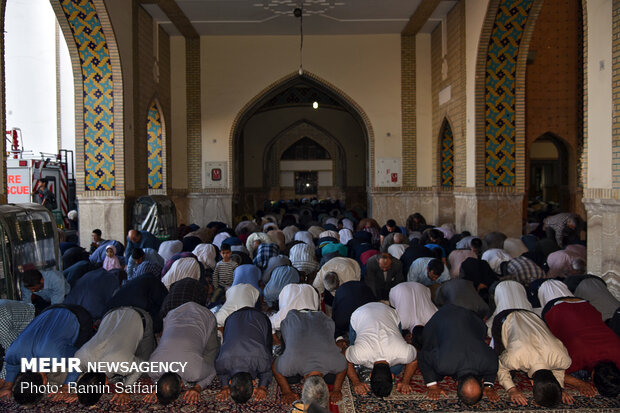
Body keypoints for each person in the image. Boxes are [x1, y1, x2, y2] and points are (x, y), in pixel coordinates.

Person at [0, 304, 93, 402]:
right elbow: (11, 363)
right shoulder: (12, 352)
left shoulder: (56, 356)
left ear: (45, 382)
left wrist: (67, 386)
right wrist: (7, 386)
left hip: (77, 314)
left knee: (82, 351)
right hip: (48, 309)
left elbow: (78, 360)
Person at [417, 304, 499, 405]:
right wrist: (432, 386)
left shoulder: (488, 361)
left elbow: (493, 366)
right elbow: (422, 356)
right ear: (456, 384)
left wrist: (488, 386)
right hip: (442, 318)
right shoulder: (444, 364)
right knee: (436, 373)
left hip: (469, 316)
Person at [75, 306, 156, 405]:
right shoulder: (79, 358)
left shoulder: (121, 364)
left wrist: (125, 388)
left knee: (145, 371)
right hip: (110, 313)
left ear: (106, 384)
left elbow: (141, 365)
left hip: (139, 315)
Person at [491, 308, 573, 407]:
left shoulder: (563, 359)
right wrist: (512, 390)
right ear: (532, 383)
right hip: (506, 318)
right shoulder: (514, 359)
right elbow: (501, 368)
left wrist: (559, 387)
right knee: (508, 373)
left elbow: (559, 369)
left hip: (534, 317)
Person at [542, 296, 620, 397]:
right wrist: (579, 383)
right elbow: (553, 371)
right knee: (578, 374)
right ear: (592, 378)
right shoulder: (577, 358)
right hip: (555, 307)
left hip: (585, 304)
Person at [145, 302, 220, 405]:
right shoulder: (151, 368)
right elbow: (156, 380)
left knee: (212, 351)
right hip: (173, 314)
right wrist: (159, 388)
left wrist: (198, 388)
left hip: (203, 316)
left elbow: (212, 371)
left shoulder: (194, 372)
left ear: (181, 384)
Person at [272, 309, 347, 405]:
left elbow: (343, 367)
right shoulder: (289, 364)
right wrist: (286, 391)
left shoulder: (334, 362)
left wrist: (337, 389)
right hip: (295, 318)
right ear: (302, 387)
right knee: (291, 378)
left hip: (320, 316)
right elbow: (274, 366)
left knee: (292, 377)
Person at [345, 302, 418, 397]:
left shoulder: (403, 353)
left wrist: (405, 382)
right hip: (362, 313)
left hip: (386, 311)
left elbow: (414, 360)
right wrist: (356, 382)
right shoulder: (360, 354)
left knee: (397, 368)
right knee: (397, 368)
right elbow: (344, 358)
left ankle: (362, 367)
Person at [215, 307, 273, 403]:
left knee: (268, 351)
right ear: (254, 383)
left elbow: (267, 371)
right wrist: (224, 386)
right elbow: (222, 373)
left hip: (250, 317)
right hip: (234, 318)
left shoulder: (261, 357)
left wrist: (263, 387)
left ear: (254, 383)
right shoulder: (222, 360)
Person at [0, 300, 35, 379]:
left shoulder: (1, 323)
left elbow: (14, 352)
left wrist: (2, 379)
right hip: (15, 329)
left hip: (33, 322)